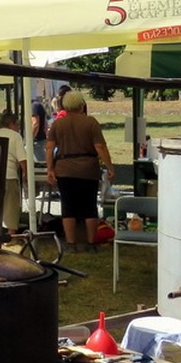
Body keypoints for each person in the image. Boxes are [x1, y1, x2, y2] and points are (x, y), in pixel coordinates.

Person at [46, 91, 114, 252]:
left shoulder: (58, 124)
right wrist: (110, 166)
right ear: (82, 105)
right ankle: (91, 244)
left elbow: (49, 148)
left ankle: (71, 244)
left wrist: (50, 169)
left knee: (68, 207)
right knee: (89, 206)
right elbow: (100, 147)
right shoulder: (91, 122)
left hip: (64, 169)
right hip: (88, 169)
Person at [0, 111, 28, 234]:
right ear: (12, 124)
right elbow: (22, 159)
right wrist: (26, 174)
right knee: (11, 207)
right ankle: (11, 234)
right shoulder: (15, 136)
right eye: (17, 125)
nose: (18, 127)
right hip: (10, 175)